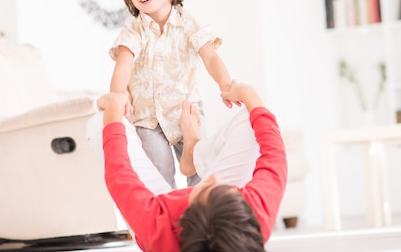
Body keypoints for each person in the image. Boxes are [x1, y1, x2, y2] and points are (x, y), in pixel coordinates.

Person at [93, 80, 287, 252]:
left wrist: (113, 110)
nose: (213, 179)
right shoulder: (253, 220)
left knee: (97, 124)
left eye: (206, 189)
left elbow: (118, 173)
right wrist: (248, 93)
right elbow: (274, 154)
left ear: (182, 217)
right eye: (226, 190)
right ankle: (196, 152)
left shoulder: (155, 227)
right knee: (255, 112)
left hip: (158, 204)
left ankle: (195, 154)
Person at [109, 0, 235, 188]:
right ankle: (166, 219)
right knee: (157, 173)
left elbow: (210, 57)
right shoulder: (135, 29)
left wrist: (226, 85)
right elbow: (123, 64)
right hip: (148, 119)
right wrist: (118, 97)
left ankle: (201, 217)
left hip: (187, 113)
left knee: (202, 168)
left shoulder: (188, 23)